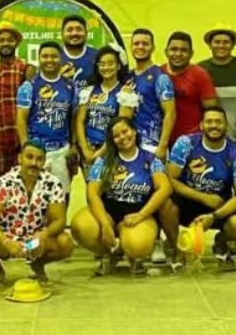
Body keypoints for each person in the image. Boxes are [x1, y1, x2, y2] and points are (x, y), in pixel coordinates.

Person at [71, 117, 173, 275]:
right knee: (80, 227)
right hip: (109, 212)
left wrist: (141, 215)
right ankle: (111, 252)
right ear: (111, 141)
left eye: (125, 131)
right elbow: (92, 193)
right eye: (116, 136)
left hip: (138, 213)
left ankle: (130, 253)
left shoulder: (150, 159)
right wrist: (104, 224)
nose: (122, 137)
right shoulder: (104, 161)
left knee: (138, 246)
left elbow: (165, 188)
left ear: (134, 131)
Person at [159, 107, 236, 270]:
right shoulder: (186, 143)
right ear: (201, 125)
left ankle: (221, 243)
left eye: (219, 122)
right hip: (187, 200)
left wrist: (214, 216)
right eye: (209, 121)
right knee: (165, 204)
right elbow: (169, 179)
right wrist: (203, 197)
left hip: (218, 204)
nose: (214, 125)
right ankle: (178, 248)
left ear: (226, 125)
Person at [0, 141, 75, 287]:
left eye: (39, 159)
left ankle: (38, 264)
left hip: (35, 241)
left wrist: (43, 236)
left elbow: (59, 220)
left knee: (66, 243)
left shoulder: (53, 183)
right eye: (29, 157)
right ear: (20, 158)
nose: (34, 163)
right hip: (8, 239)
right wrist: (6, 241)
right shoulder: (4, 182)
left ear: (44, 162)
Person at [16, 41, 77, 190]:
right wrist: (25, 148)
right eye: (45, 56)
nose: (49, 60)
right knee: (34, 194)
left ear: (61, 58)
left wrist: (74, 145)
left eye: (54, 56)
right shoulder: (29, 86)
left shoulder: (71, 86)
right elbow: (21, 119)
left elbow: (73, 118)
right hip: (36, 151)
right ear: (39, 58)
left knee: (62, 194)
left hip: (61, 151)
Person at [0, 22, 36, 176]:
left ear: (16, 42)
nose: (5, 43)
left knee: (25, 182)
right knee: (1, 183)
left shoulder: (26, 69)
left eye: (9, 39)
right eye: (1, 40)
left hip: (21, 140)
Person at [75, 46, 137, 168]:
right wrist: (85, 150)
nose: (106, 67)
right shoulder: (89, 90)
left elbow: (122, 129)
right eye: (102, 64)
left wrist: (99, 154)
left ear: (118, 66)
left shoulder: (125, 93)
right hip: (88, 152)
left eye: (110, 63)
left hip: (112, 152)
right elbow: (80, 121)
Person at [198, 23, 236, 140]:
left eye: (226, 42)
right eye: (217, 42)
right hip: (212, 136)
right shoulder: (200, 69)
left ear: (233, 45)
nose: (221, 46)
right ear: (209, 45)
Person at [127, 28, 176, 159]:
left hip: (151, 145)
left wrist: (163, 146)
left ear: (153, 47)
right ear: (131, 47)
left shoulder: (160, 78)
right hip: (128, 143)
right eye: (136, 43)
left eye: (145, 44)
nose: (140, 47)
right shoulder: (127, 76)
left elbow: (170, 113)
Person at [161, 31, 218, 144]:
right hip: (162, 139)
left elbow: (212, 110)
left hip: (192, 140)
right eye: (173, 49)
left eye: (184, 50)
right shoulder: (159, 73)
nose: (178, 54)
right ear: (166, 52)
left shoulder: (200, 75)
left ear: (191, 54)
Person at [59, 14, 97, 87]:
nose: (74, 33)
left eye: (79, 29)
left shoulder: (97, 57)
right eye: (69, 30)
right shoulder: (52, 58)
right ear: (62, 34)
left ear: (86, 33)